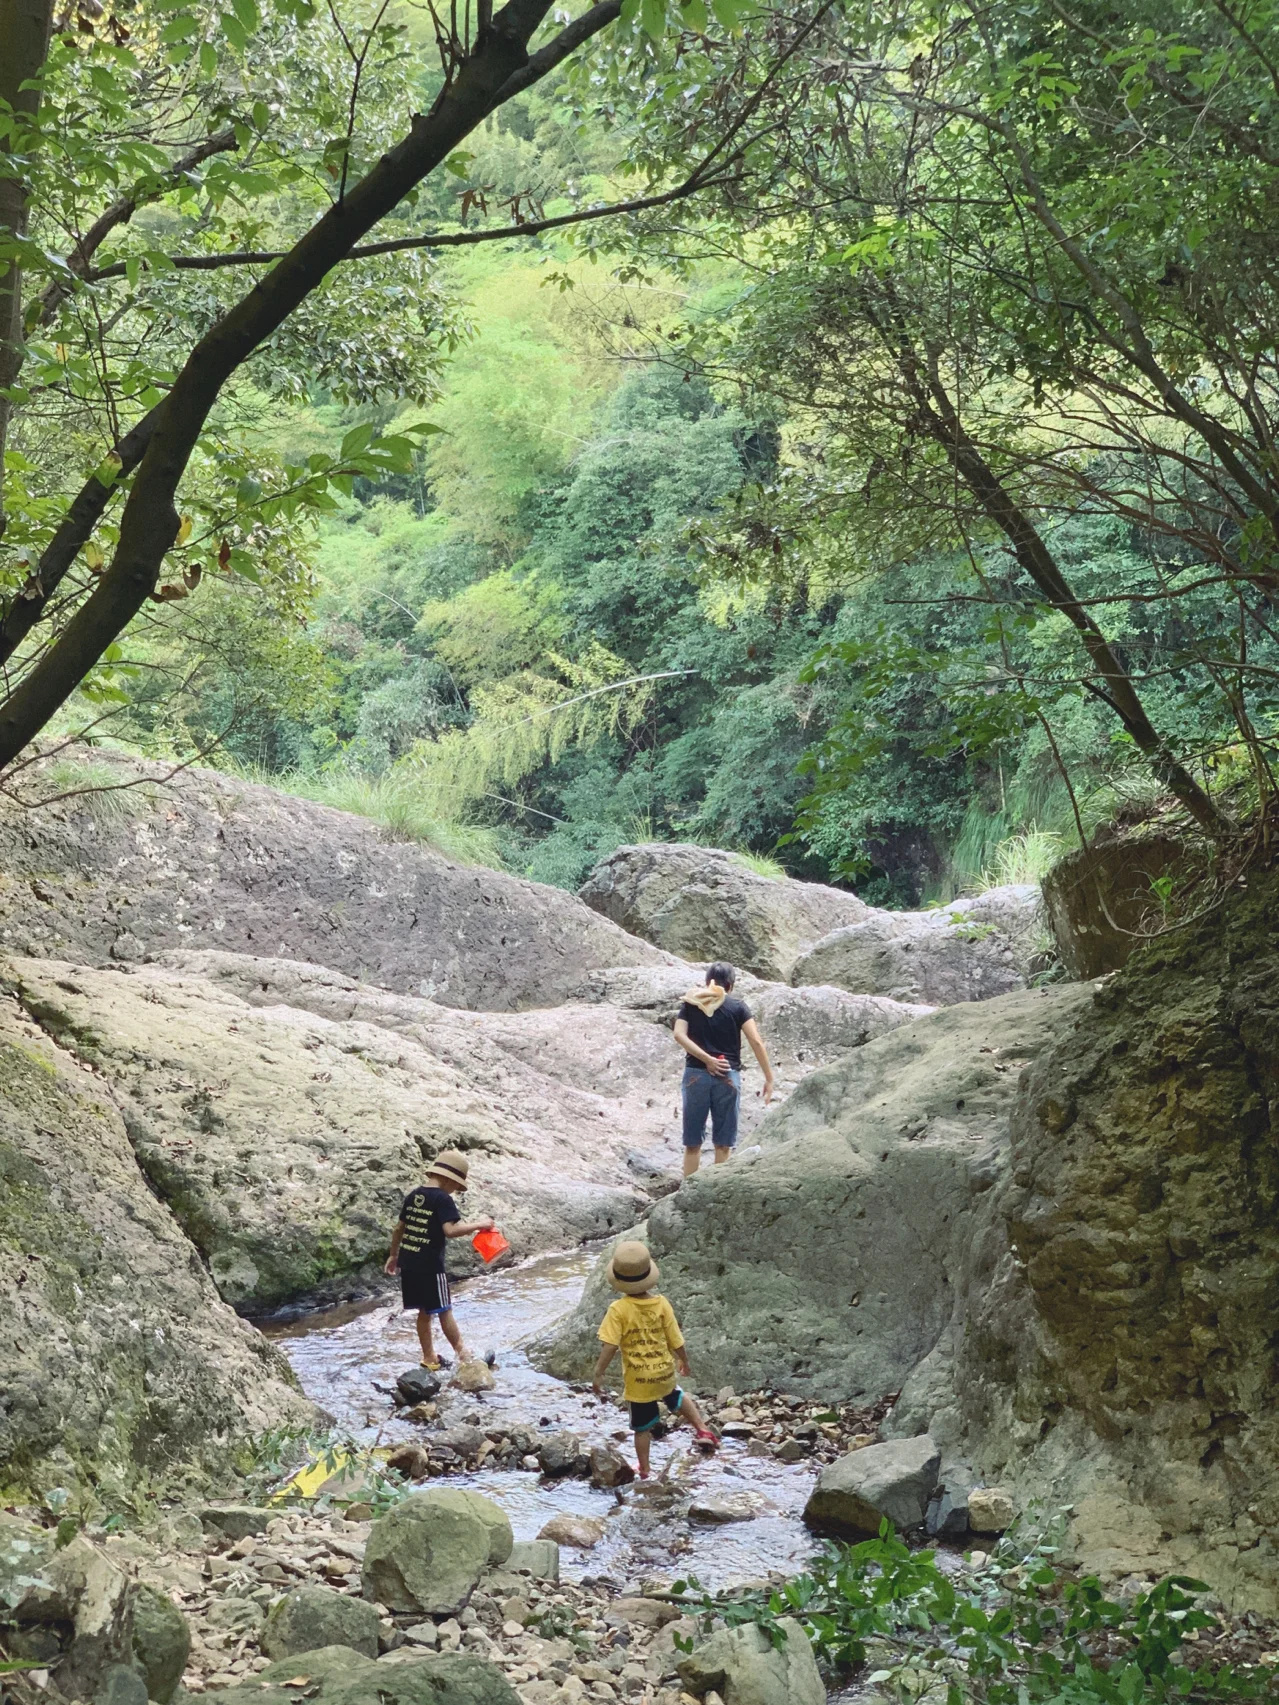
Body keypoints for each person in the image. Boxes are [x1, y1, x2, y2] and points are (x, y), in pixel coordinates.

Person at [591, 1240, 719, 1478]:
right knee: (677, 1396)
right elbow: (676, 1340)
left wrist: (599, 1373)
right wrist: (684, 1361)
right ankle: (703, 1430)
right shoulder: (661, 1304)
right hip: (663, 1371)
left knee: (642, 1429)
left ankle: (646, 1470)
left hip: (639, 1381)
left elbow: (609, 1345)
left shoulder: (618, 1310)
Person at [383, 1149, 494, 1371]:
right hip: (430, 1266)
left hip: (409, 1263)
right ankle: (464, 1354)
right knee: (444, 1309)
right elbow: (450, 1230)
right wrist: (480, 1225)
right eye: (455, 1186)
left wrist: (393, 1255)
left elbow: (399, 1228)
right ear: (447, 1179)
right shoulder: (442, 1199)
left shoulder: (414, 1195)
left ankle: (429, 1358)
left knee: (424, 1312)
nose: (454, 1191)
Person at [673, 960, 775, 1177]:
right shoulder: (738, 1007)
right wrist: (769, 1077)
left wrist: (705, 1059)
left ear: (707, 982)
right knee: (723, 1144)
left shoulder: (691, 1004)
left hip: (695, 1076)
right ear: (731, 985)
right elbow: (756, 1041)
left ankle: (687, 1195)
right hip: (727, 1076)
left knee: (692, 1143)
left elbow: (679, 1034)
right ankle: (716, 1193)